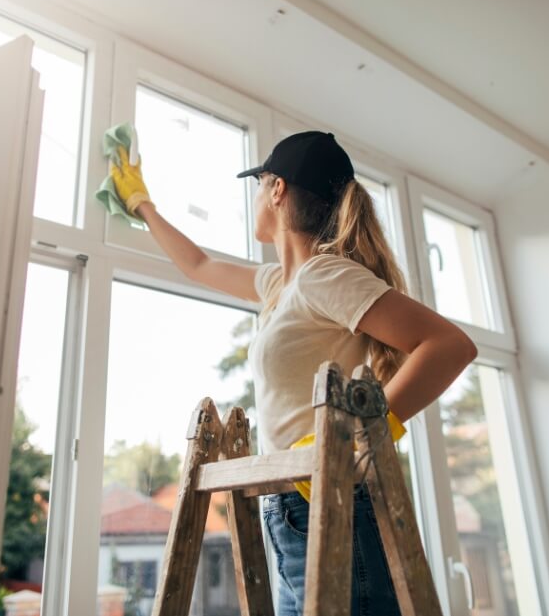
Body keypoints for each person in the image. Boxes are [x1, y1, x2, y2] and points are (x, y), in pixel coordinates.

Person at [110, 130, 477, 615]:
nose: (257, 196)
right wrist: (141, 203)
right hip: (290, 510)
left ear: (277, 189)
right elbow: (198, 264)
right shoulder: (279, 284)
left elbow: (450, 346)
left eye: (259, 184)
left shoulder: (326, 275)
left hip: (335, 505)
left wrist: (364, 435)